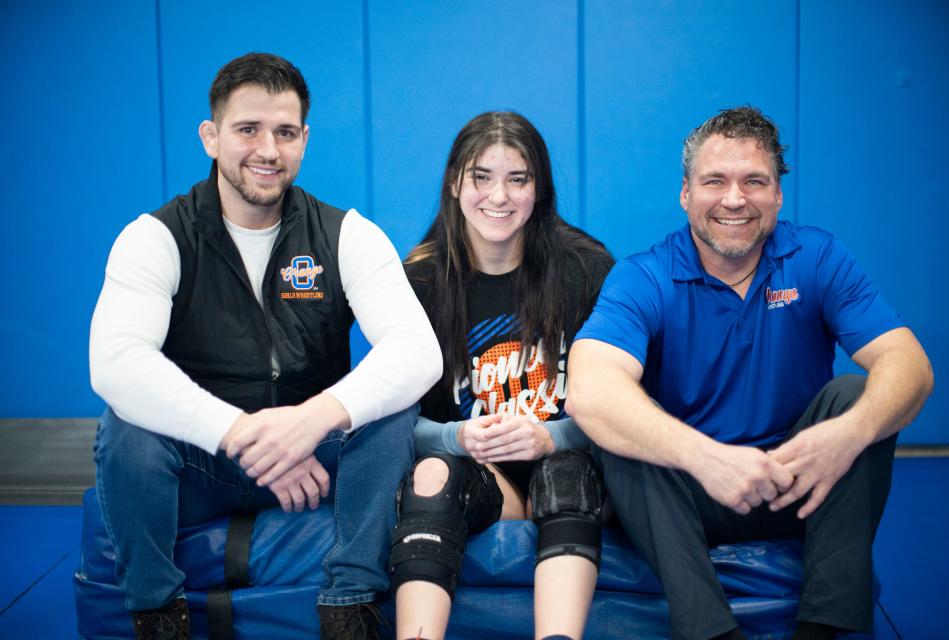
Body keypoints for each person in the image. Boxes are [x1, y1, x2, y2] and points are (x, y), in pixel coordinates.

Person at [89, 52, 441, 640]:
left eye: (284, 132)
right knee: (127, 426)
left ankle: (350, 602)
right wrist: (242, 435)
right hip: (207, 459)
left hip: (316, 460)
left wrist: (311, 421)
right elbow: (117, 363)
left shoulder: (345, 233)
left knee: (392, 412)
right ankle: (156, 613)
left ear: (304, 139)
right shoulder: (155, 237)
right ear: (212, 136)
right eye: (247, 129)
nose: (267, 150)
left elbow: (417, 349)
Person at [566, 106, 933, 640]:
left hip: (797, 481)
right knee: (620, 431)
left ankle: (823, 629)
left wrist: (849, 433)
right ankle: (712, 633)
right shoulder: (644, 276)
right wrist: (705, 457)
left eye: (753, 181)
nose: (734, 199)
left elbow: (912, 367)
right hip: (689, 491)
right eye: (715, 181)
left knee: (859, 396)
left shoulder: (817, 257)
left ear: (777, 196)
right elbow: (590, 390)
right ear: (686, 194)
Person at [388, 112, 614, 640]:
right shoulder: (417, 281)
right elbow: (396, 423)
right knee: (430, 476)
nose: (499, 196)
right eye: (481, 177)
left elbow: (622, 406)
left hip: (566, 464)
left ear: (539, 189)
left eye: (518, 178)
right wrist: (456, 436)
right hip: (481, 475)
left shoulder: (586, 269)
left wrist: (551, 435)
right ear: (454, 183)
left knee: (565, 472)